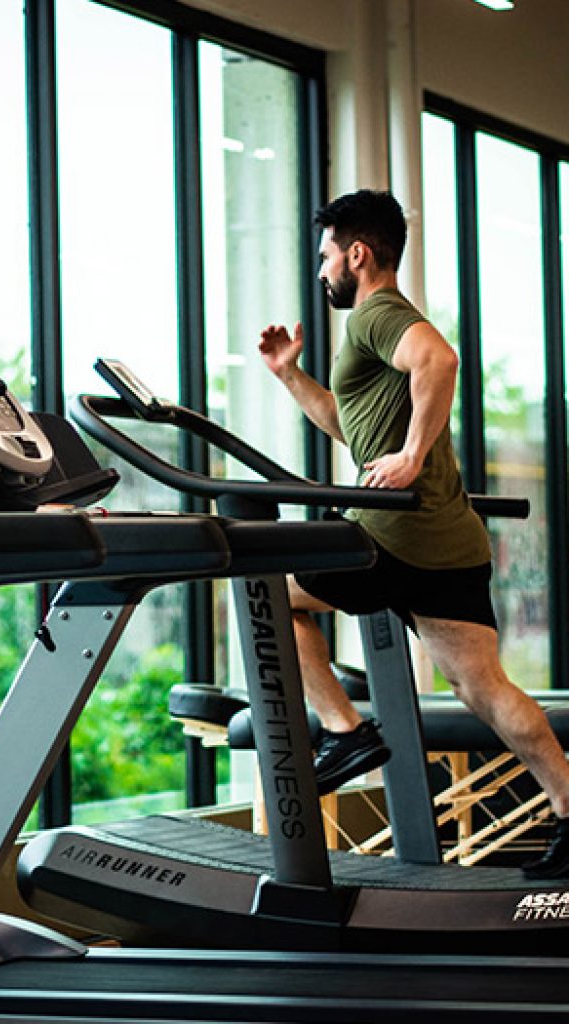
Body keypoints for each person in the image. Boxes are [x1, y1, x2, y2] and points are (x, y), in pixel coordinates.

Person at [258, 188, 569, 879]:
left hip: (394, 531)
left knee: (271, 592)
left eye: (325, 257)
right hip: (448, 539)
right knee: (484, 688)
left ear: (357, 254)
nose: (321, 272)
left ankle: (345, 733)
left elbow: (441, 362)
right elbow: (354, 427)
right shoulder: (375, 328)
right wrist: (289, 377)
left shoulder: (378, 312)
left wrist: (412, 457)